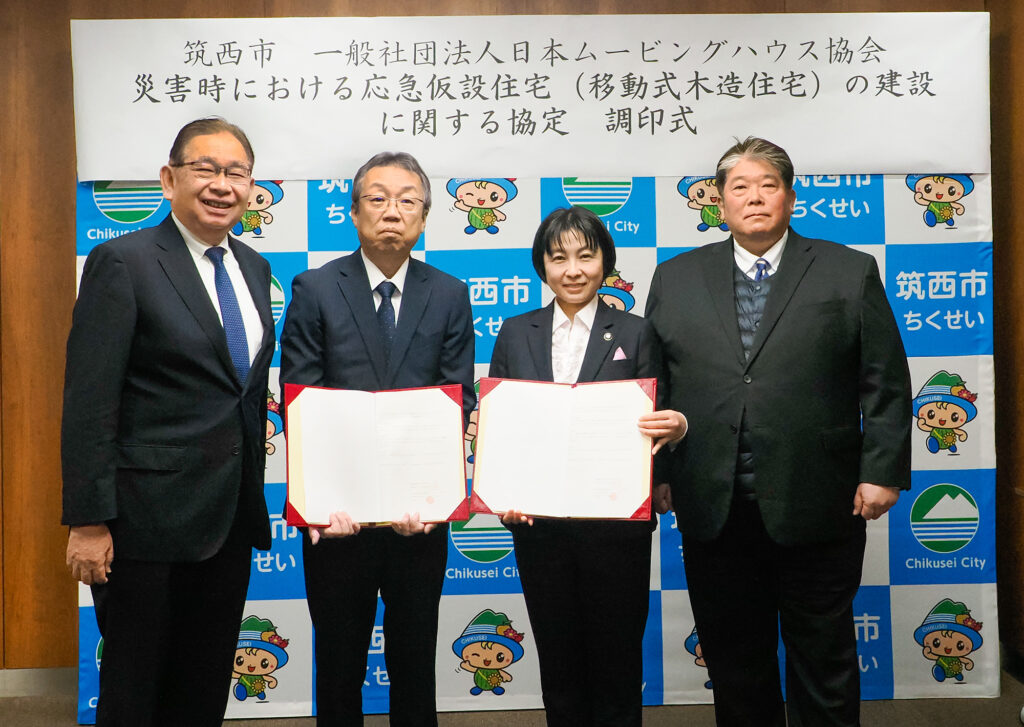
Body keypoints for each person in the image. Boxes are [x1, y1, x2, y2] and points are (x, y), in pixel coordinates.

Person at [645, 137, 912, 727]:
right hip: (714, 502)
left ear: (791, 198)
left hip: (819, 498)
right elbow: (656, 387)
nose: (755, 197)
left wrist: (882, 471)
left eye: (768, 185)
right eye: (740, 187)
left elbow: (886, 381)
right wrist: (658, 474)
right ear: (719, 203)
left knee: (823, 657)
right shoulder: (675, 276)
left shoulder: (848, 270)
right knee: (736, 662)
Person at [61, 117, 275, 726]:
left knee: (202, 689)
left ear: (251, 186)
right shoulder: (123, 261)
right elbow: (89, 401)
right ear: (168, 179)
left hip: (228, 520)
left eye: (236, 173)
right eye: (205, 169)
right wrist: (87, 520)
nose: (221, 185)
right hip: (143, 524)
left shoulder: (254, 269)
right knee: (135, 692)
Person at [279, 151, 475, 726]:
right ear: (354, 211)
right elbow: (300, 399)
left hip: (419, 518)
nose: (393, 211)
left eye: (408, 200)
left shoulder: (449, 293)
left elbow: (456, 400)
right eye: (378, 198)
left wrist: (434, 499)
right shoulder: (316, 288)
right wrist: (321, 502)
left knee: (415, 662)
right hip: (338, 519)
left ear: (424, 216)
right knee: (339, 664)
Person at [488, 206, 687, 726]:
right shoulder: (515, 333)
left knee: (617, 661)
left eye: (585, 256)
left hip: (616, 527)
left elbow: (658, 418)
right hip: (539, 528)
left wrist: (660, 477)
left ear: (606, 262)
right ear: (542, 265)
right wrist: (502, 493)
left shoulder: (638, 332)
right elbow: (502, 426)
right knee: (559, 661)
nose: (573, 270)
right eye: (559, 258)